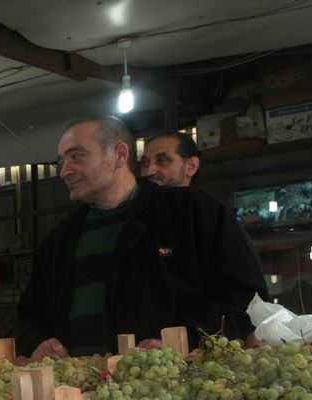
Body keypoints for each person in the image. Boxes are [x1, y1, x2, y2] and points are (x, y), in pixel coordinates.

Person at [18, 117, 266, 360]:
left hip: (176, 386)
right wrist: (38, 340)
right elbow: (30, 315)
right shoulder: (58, 241)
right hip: (83, 392)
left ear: (119, 154)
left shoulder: (192, 213)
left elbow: (243, 296)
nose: (65, 171)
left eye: (76, 156)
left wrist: (187, 339)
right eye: (62, 161)